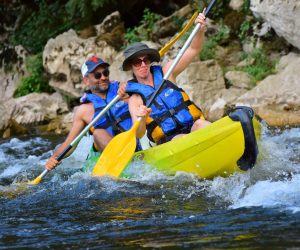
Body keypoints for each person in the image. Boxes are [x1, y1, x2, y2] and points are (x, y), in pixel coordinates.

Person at [122, 12, 211, 145]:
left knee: (203, 124)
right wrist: (142, 118)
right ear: (131, 66)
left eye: (145, 60)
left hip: (192, 125)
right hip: (169, 139)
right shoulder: (135, 99)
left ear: (150, 61)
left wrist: (200, 29)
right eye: (137, 62)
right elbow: (139, 133)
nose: (142, 65)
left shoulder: (167, 71)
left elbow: (193, 50)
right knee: (182, 140)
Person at [45, 56, 134, 170]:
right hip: (115, 153)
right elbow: (71, 144)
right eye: (97, 75)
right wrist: (54, 158)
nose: (103, 77)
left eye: (105, 73)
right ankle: (127, 163)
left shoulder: (122, 89)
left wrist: (129, 95)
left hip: (137, 140)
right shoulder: (83, 111)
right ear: (86, 80)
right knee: (98, 133)